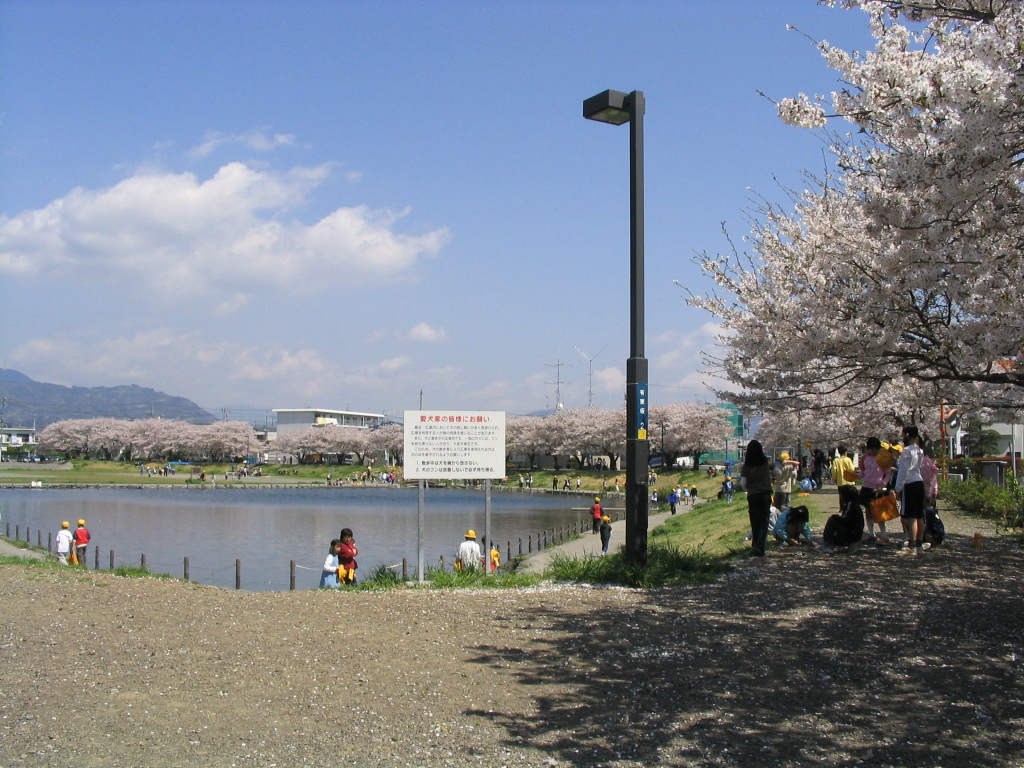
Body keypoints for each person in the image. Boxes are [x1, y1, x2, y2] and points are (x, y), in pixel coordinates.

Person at [740, 439, 780, 557]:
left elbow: (743, 483)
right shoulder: (767, 462)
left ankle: (756, 545)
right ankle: (759, 546)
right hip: (765, 493)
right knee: (764, 521)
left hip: (752, 495)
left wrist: (748, 489)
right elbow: (778, 473)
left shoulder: (746, 466)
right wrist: (772, 479)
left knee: (755, 520)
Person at [895, 425, 927, 557]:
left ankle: (912, 544)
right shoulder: (920, 450)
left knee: (911, 516)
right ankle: (919, 544)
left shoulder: (907, 451)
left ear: (907, 435)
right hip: (919, 482)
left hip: (910, 483)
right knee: (920, 514)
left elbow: (903, 471)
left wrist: (898, 488)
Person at [859, 437, 892, 544]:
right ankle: (871, 534)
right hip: (866, 487)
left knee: (879, 512)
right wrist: (854, 476)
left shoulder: (883, 458)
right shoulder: (865, 458)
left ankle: (884, 535)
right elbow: (863, 473)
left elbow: (888, 473)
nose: (873, 452)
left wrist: (883, 483)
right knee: (868, 511)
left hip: (878, 488)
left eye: (875, 449)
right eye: (871, 449)